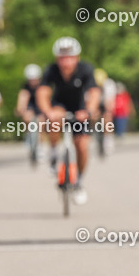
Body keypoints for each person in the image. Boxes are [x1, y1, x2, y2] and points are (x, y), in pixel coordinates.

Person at [36, 37, 101, 205]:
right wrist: (47, 111)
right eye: (62, 58)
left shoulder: (86, 69)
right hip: (60, 106)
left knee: (82, 145)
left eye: (69, 57)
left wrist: (88, 111)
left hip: (80, 109)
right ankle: (54, 153)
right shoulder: (51, 70)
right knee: (55, 120)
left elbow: (94, 92)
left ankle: (78, 182)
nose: (66, 62)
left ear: (77, 58)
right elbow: (42, 92)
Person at [16, 64, 44, 162]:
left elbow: (45, 100)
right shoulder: (25, 87)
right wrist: (20, 109)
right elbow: (22, 98)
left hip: (40, 105)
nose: (32, 82)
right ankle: (28, 134)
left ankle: (39, 146)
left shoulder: (42, 86)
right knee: (27, 117)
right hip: (30, 106)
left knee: (41, 122)